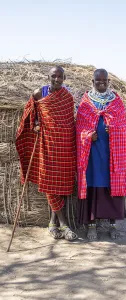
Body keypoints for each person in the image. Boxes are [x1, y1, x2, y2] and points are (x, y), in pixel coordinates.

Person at [16, 66, 77, 240]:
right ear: (48, 76)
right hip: (47, 144)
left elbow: (69, 120)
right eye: (54, 76)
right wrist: (35, 123)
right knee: (49, 181)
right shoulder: (39, 93)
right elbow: (30, 112)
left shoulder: (67, 96)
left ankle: (52, 224)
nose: (57, 79)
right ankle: (64, 225)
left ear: (64, 78)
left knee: (62, 184)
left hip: (65, 144)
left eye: (60, 77)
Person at [76, 68, 126, 240]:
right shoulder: (85, 103)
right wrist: (87, 136)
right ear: (92, 82)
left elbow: (124, 129)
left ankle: (113, 225)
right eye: (97, 81)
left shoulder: (116, 102)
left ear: (108, 82)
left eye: (103, 81)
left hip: (111, 154)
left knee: (112, 185)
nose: (101, 83)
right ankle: (91, 225)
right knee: (93, 185)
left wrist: (113, 130)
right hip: (92, 154)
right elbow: (79, 129)